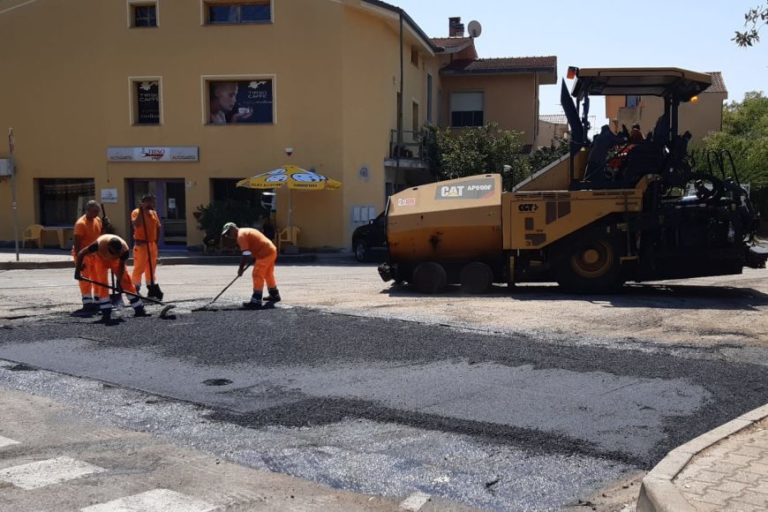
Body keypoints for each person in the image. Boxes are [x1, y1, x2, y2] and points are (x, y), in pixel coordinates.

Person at [75, 235, 147, 321]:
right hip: (100, 260)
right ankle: (106, 313)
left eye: (117, 253)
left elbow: (121, 267)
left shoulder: (125, 251)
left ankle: (139, 309)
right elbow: (81, 253)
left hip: (116, 262)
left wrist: (119, 282)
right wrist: (77, 271)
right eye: (112, 252)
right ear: (108, 246)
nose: (114, 254)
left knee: (126, 281)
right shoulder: (98, 245)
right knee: (102, 284)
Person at [221, 222, 281, 309]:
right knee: (268, 274)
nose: (228, 236)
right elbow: (254, 245)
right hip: (271, 250)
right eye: (226, 235)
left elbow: (245, 254)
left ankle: (256, 300)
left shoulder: (241, 236)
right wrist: (255, 255)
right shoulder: (244, 231)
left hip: (265, 253)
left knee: (257, 274)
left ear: (233, 229)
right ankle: (274, 294)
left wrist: (240, 269)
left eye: (228, 233)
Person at [72, 201, 104, 313]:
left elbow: (101, 236)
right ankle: (87, 302)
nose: (97, 213)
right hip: (83, 254)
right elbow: (77, 245)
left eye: (98, 211)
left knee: (97, 278)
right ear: (88, 210)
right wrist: (78, 261)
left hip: (95, 254)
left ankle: (97, 301)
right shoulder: (81, 224)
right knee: (85, 279)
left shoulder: (98, 220)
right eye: (95, 211)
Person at [131, 194, 163, 299]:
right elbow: (136, 224)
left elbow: (158, 227)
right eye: (148, 201)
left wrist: (156, 242)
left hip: (152, 244)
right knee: (139, 267)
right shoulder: (136, 212)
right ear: (143, 202)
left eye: (152, 201)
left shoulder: (153, 213)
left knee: (151, 268)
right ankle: (135, 289)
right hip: (141, 244)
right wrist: (142, 210)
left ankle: (151, 288)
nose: (150, 204)